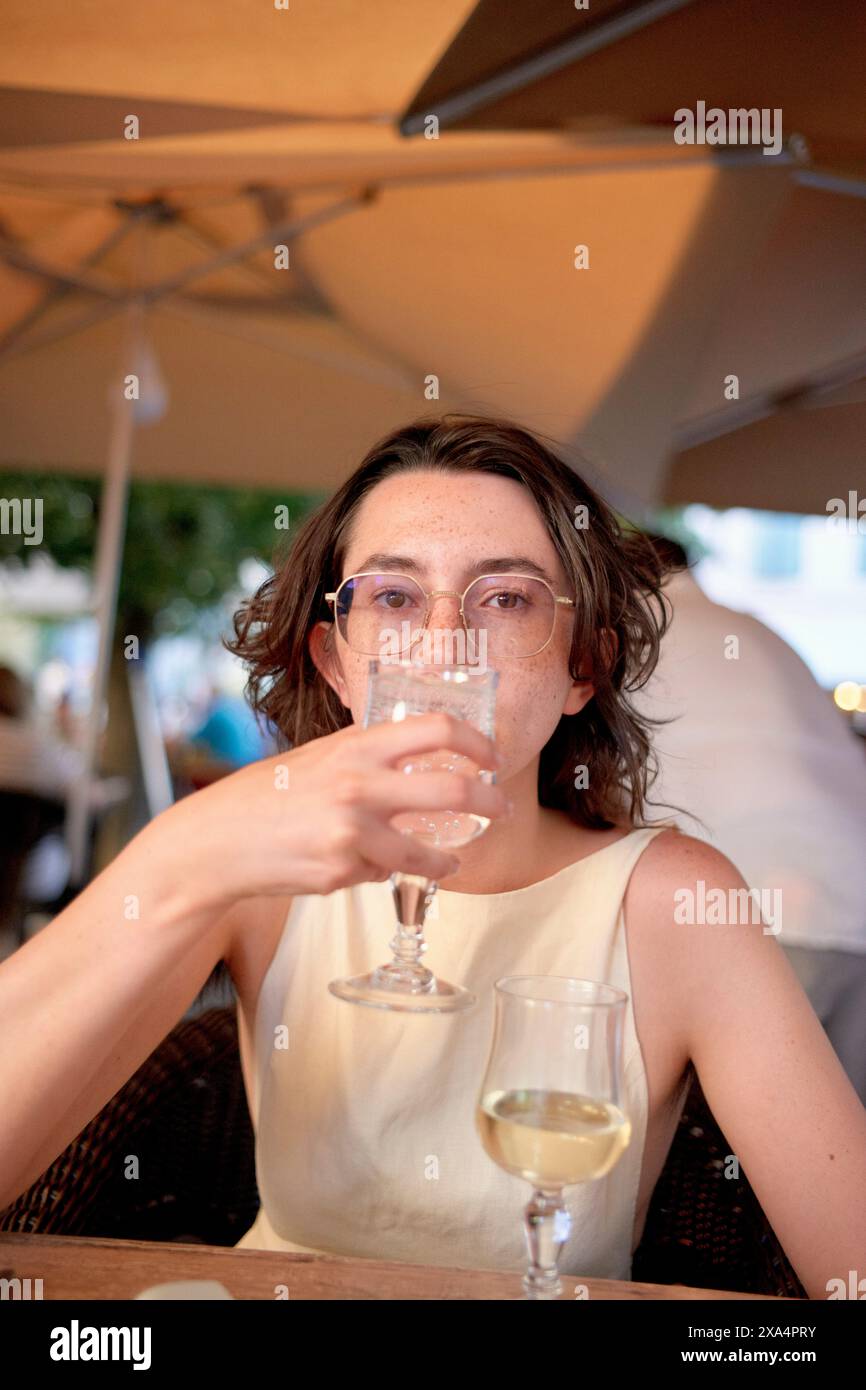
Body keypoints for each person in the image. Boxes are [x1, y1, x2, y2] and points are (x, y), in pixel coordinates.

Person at [0, 416, 863, 1297]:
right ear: (335, 661)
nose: (445, 645)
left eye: (505, 598)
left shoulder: (676, 905)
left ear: (583, 668)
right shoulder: (257, 872)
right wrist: (183, 852)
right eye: (396, 598)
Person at [634, 536, 866, 1104]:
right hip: (855, 890)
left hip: (766, 899)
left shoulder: (634, 628)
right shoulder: (755, 628)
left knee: (741, 1136)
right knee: (846, 1130)